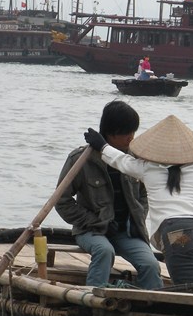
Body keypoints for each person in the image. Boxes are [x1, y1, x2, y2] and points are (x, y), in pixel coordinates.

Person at [84, 115, 193, 286]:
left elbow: (120, 160)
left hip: (180, 233)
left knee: (190, 297)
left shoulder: (148, 168)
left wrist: (102, 145)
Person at [56, 100, 163, 290]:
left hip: (127, 233)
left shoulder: (134, 159)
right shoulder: (81, 159)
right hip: (92, 230)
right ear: (111, 133)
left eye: (133, 132)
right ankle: (93, 299)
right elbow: (62, 201)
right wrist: (92, 220)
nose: (131, 138)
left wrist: (138, 215)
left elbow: (144, 195)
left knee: (151, 264)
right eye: (126, 133)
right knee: (105, 251)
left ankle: (154, 306)